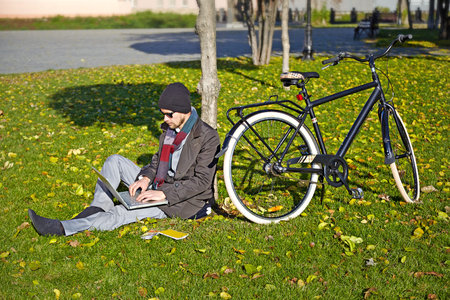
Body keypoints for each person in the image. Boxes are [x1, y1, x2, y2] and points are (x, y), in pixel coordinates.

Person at [28, 82, 220, 236]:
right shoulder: (170, 130)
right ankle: (99, 207)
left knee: (121, 212)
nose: (165, 119)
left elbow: (202, 182)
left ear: (185, 110)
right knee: (114, 161)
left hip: (181, 202)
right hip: (160, 185)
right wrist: (145, 177)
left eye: (169, 114)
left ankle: (62, 228)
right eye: (162, 114)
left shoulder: (207, 137)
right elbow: (157, 162)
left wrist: (164, 194)